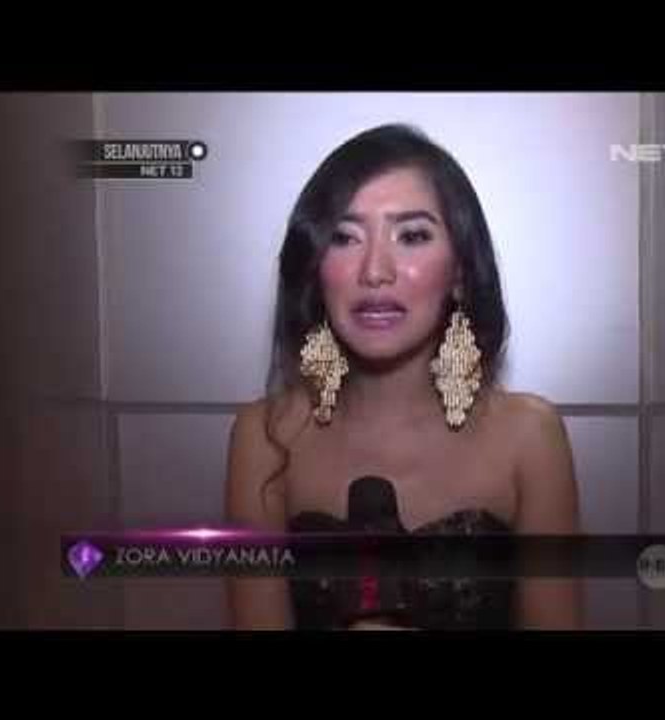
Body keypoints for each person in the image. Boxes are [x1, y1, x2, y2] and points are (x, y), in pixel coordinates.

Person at [225, 124, 581, 630]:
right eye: (344, 237)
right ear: (316, 271)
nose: (375, 271)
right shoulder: (264, 439)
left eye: (412, 236)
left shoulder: (530, 436)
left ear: (459, 271)